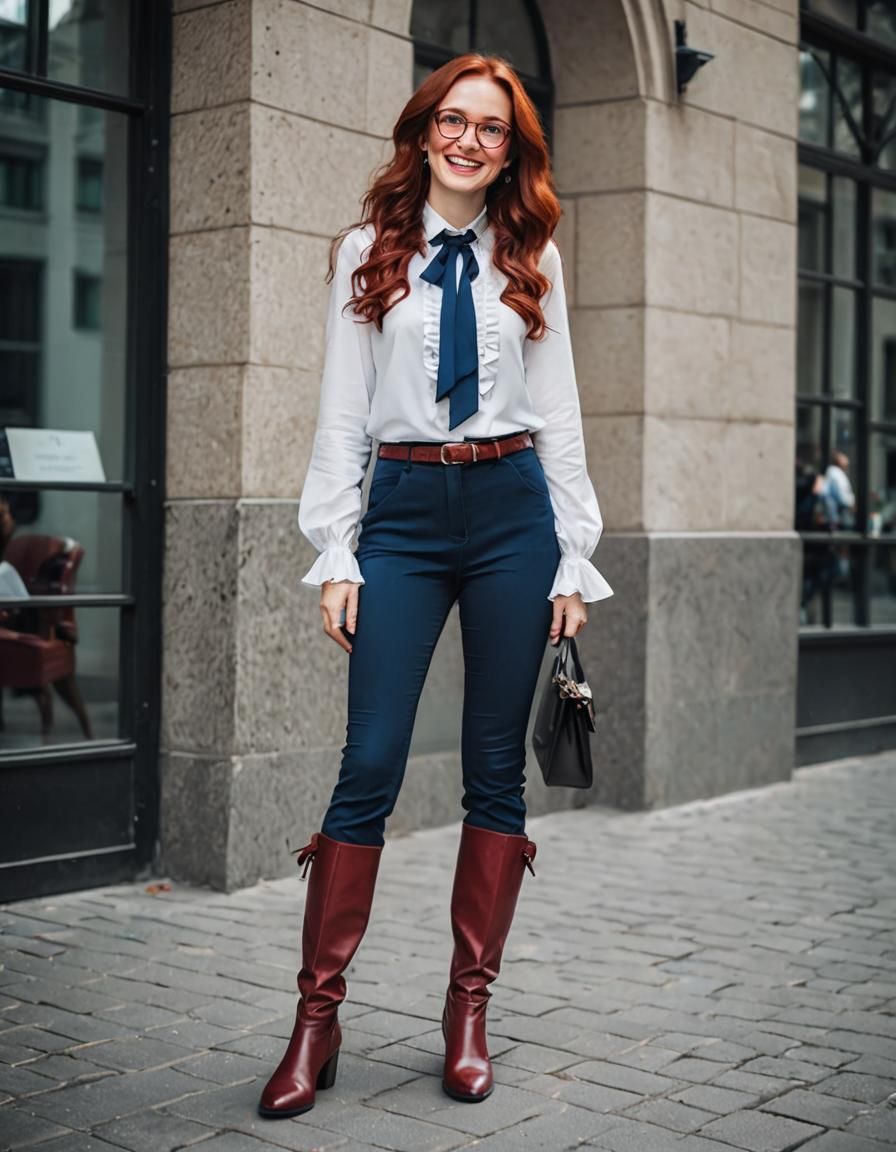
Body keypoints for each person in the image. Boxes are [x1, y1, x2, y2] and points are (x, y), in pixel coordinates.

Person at [258, 53, 613, 1120]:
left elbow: (558, 410)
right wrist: (337, 550)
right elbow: (341, 410)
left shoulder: (533, 255)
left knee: (493, 772)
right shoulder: (367, 250)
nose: (468, 140)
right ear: (423, 132)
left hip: (512, 512)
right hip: (404, 514)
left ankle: (468, 1014)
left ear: (511, 151)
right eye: (452, 120)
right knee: (368, 762)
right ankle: (315, 1021)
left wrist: (573, 553)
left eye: (491, 128)